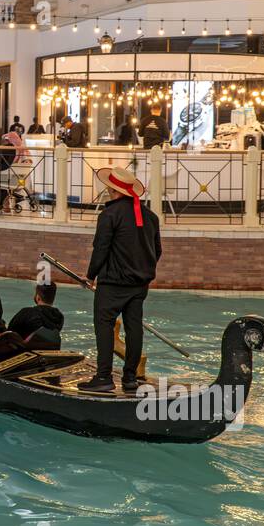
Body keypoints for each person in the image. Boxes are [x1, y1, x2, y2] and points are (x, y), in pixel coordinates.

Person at [80, 166, 162, 393]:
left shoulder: (109, 215)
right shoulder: (151, 217)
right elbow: (157, 250)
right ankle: (130, 379)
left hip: (113, 284)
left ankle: (104, 377)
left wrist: (89, 276)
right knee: (134, 328)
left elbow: (101, 250)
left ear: (112, 190)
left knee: (104, 325)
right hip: (139, 285)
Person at [7, 283, 64, 349]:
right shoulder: (59, 317)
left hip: (25, 354)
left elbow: (8, 334)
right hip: (46, 354)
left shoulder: (26, 313)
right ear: (53, 298)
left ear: (38, 297)